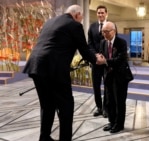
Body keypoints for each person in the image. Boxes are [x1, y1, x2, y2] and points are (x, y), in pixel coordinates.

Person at [22, 5, 105, 141]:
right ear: (77, 14)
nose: (81, 20)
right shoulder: (75, 25)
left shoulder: (50, 21)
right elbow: (84, 50)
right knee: (66, 106)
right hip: (54, 69)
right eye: (82, 17)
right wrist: (97, 59)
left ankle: (44, 137)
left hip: (35, 66)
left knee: (47, 104)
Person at [100, 21, 130, 134]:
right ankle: (112, 122)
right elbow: (102, 56)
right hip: (108, 76)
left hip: (120, 77)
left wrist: (105, 61)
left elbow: (120, 59)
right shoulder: (103, 42)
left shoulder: (121, 42)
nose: (105, 34)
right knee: (109, 101)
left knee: (119, 102)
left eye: (107, 31)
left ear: (114, 31)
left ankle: (119, 124)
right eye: (103, 31)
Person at [88, 5, 108, 118]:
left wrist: (104, 58)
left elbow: (112, 43)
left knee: (107, 86)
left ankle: (106, 108)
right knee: (96, 86)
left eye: (102, 13)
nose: (100, 14)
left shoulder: (111, 25)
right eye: (98, 13)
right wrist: (96, 56)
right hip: (95, 62)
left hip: (106, 62)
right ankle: (99, 107)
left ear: (106, 14)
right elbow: (89, 44)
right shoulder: (92, 27)